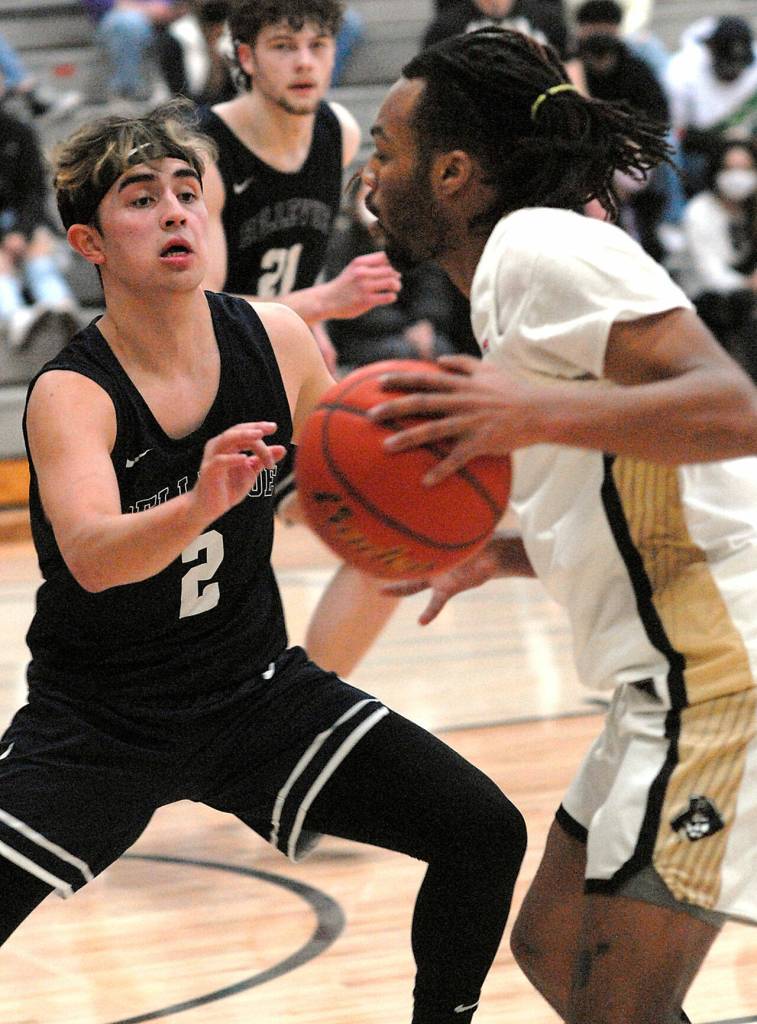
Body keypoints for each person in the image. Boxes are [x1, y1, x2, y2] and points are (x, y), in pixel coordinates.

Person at [2, 100, 527, 1023]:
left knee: (483, 829)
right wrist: (197, 501)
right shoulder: (72, 392)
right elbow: (91, 558)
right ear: (89, 242)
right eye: (141, 199)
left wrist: (436, 533)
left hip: (256, 695)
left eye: (187, 192)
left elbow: (348, 473)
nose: (174, 212)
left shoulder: (275, 338)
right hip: (102, 721)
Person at [359, 26, 757, 1024]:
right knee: (551, 942)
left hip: (721, 670)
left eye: (385, 151)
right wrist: (496, 552)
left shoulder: (542, 248)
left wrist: (530, 412)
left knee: (617, 1005)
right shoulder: (510, 275)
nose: (369, 174)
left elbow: (730, 409)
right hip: (663, 671)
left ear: (452, 173)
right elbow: (632, 484)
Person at [199, 0, 405, 677]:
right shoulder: (204, 153)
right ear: (247, 57)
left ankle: (312, 701)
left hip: (282, 379)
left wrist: (314, 327)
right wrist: (322, 303)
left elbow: (294, 265)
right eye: (284, 46)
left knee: (392, 540)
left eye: (318, 45)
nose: (305, 62)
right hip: (201, 387)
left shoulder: (337, 132)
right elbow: (201, 314)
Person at [0, 73, 80, 358]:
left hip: (27, 225)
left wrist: (22, 232)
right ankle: (15, 315)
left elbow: (34, 191)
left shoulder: (20, 132)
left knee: (40, 248)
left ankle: (58, 306)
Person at [678, 139, 757, 380]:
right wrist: (749, 284)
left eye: (745, 169)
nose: (738, 177)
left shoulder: (750, 209)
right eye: (730, 169)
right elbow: (710, 275)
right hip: (705, 299)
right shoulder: (699, 212)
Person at [664, 15, 757, 194]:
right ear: (711, 51)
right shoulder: (682, 74)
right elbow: (677, 133)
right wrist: (722, 141)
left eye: (739, 66)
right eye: (728, 65)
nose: (734, 71)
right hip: (701, 151)